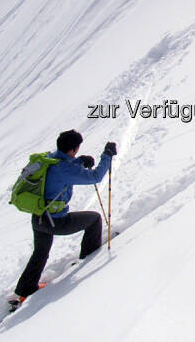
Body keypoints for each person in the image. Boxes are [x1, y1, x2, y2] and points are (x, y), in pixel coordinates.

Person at [9, 129, 116, 309]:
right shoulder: (64, 168)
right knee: (94, 220)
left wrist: (80, 161)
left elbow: (63, 171)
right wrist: (107, 155)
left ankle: (24, 289)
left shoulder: (50, 159)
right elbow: (96, 177)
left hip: (38, 217)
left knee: (40, 252)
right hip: (56, 222)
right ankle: (89, 258)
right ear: (73, 150)